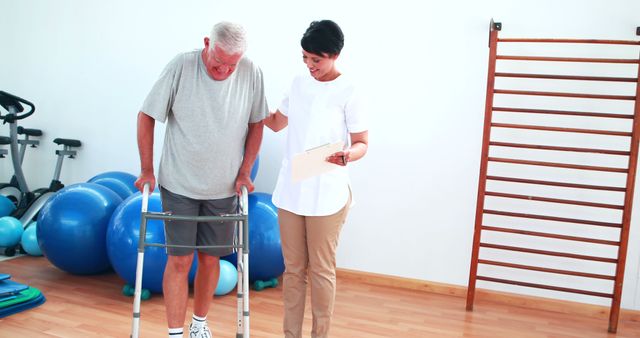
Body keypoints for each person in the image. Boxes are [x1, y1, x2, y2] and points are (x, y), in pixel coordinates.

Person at [134, 21, 267, 338]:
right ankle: (175, 332)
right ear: (207, 43)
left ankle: (199, 324)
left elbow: (257, 123)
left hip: (223, 188)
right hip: (179, 184)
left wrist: (246, 171)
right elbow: (146, 115)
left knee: (211, 261)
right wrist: (147, 169)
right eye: (218, 62)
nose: (224, 71)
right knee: (179, 261)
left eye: (231, 65)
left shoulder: (251, 72)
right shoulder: (182, 65)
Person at [264, 20, 369, 338]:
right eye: (305, 58)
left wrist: (348, 155)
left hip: (328, 188)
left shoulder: (349, 90)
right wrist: (246, 101)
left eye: (316, 60)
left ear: (334, 54)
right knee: (293, 271)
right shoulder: (298, 84)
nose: (310, 65)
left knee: (321, 269)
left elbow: (362, 143)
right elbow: (276, 123)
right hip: (294, 187)